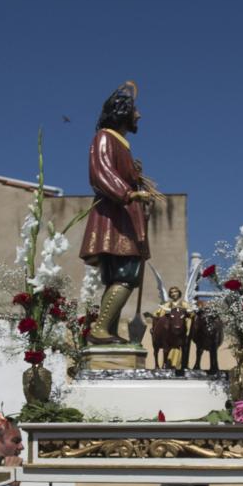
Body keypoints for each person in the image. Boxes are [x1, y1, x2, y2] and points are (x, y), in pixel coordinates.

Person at [82, 80, 153, 344]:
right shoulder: (104, 138)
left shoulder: (120, 142)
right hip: (116, 217)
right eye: (135, 110)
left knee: (120, 277)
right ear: (123, 111)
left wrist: (136, 180)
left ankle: (106, 331)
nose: (139, 115)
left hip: (124, 216)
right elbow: (100, 172)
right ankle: (100, 329)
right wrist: (129, 193)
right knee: (125, 275)